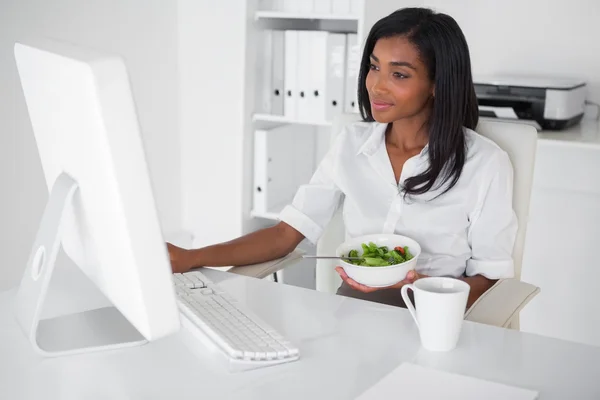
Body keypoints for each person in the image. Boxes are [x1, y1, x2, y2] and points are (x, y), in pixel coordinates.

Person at [167, 7, 517, 309]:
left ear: (437, 84)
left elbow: (492, 281)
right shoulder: (351, 143)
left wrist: (415, 285)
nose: (376, 85)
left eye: (399, 74)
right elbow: (285, 235)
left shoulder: (485, 164)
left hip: (433, 319)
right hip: (352, 311)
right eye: (374, 67)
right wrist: (191, 258)